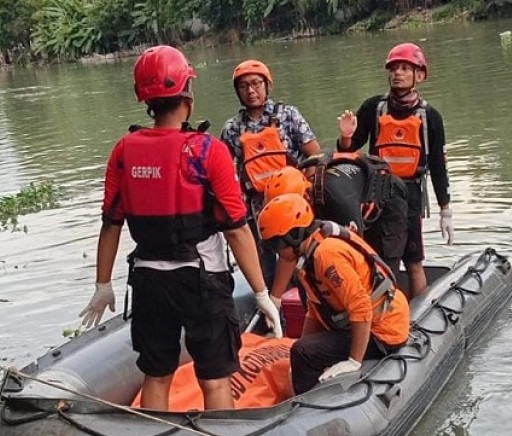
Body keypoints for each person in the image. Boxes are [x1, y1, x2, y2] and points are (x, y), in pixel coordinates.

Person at [78, 45, 281, 412]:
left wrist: (103, 285)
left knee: (156, 375)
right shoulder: (208, 151)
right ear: (187, 94)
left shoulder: (124, 151)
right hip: (202, 282)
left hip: (149, 282)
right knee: (215, 378)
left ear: (146, 101)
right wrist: (262, 293)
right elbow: (236, 230)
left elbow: (111, 224)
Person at [257, 193, 410, 395]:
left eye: (277, 245)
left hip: (383, 330)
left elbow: (361, 306)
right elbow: (314, 311)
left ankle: (304, 406)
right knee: (301, 350)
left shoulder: (326, 255)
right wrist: (298, 355)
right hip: (375, 322)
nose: (277, 253)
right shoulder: (310, 255)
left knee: (303, 353)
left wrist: (353, 361)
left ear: (293, 236)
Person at [337, 42, 453, 299]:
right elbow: (349, 150)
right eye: (394, 68)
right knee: (375, 256)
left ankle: (417, 317)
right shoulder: (372, 108)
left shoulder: (429, 117)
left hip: (410, 194)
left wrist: (445, 209)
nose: (397, 73)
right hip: (377, 194)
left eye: (404, 68)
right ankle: (378, 310)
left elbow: (437, 165)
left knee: (413, 259)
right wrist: (346, 137)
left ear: (419, 75)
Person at [221, 59, 321, 287]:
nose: (251, 90)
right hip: (256, 213)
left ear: (267, 85)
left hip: (294, 209)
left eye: (256, 83)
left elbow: (315, 156)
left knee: (305, 271)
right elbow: (224, 174)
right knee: (265, 274)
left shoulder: (289, 116)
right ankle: (275, 320)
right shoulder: (231, 129)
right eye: (244, 86)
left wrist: (309, 193)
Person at [265, 152, 408, 281]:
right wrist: (274, 301)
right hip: (356, 198)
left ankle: (395, 306)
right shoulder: (308, 200)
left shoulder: (338, 201)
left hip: (389, 200)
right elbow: (289, 254)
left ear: (306, 194)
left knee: (383, 272)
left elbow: (359, 252)